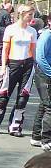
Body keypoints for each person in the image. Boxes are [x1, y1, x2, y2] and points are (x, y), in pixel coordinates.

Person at [0, 4, 38, 136]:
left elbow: (33, 51)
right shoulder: (10, 29)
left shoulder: (32, 31)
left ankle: (15, 127)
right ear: (22, 13)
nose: (31, 17)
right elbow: (5, 50)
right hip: (12, 64)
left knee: (23, 98)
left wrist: (35, 66)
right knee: (3, 96)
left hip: (28, 65)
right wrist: (3, 68)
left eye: (32, 14)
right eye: (30, 14)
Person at [30, 17, 51, 150]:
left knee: (44, 105)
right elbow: (40, 58)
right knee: (49, 106)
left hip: (47, 74)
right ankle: (46, 140)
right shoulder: (46, 36)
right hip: (44, 74)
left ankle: (36, 136)